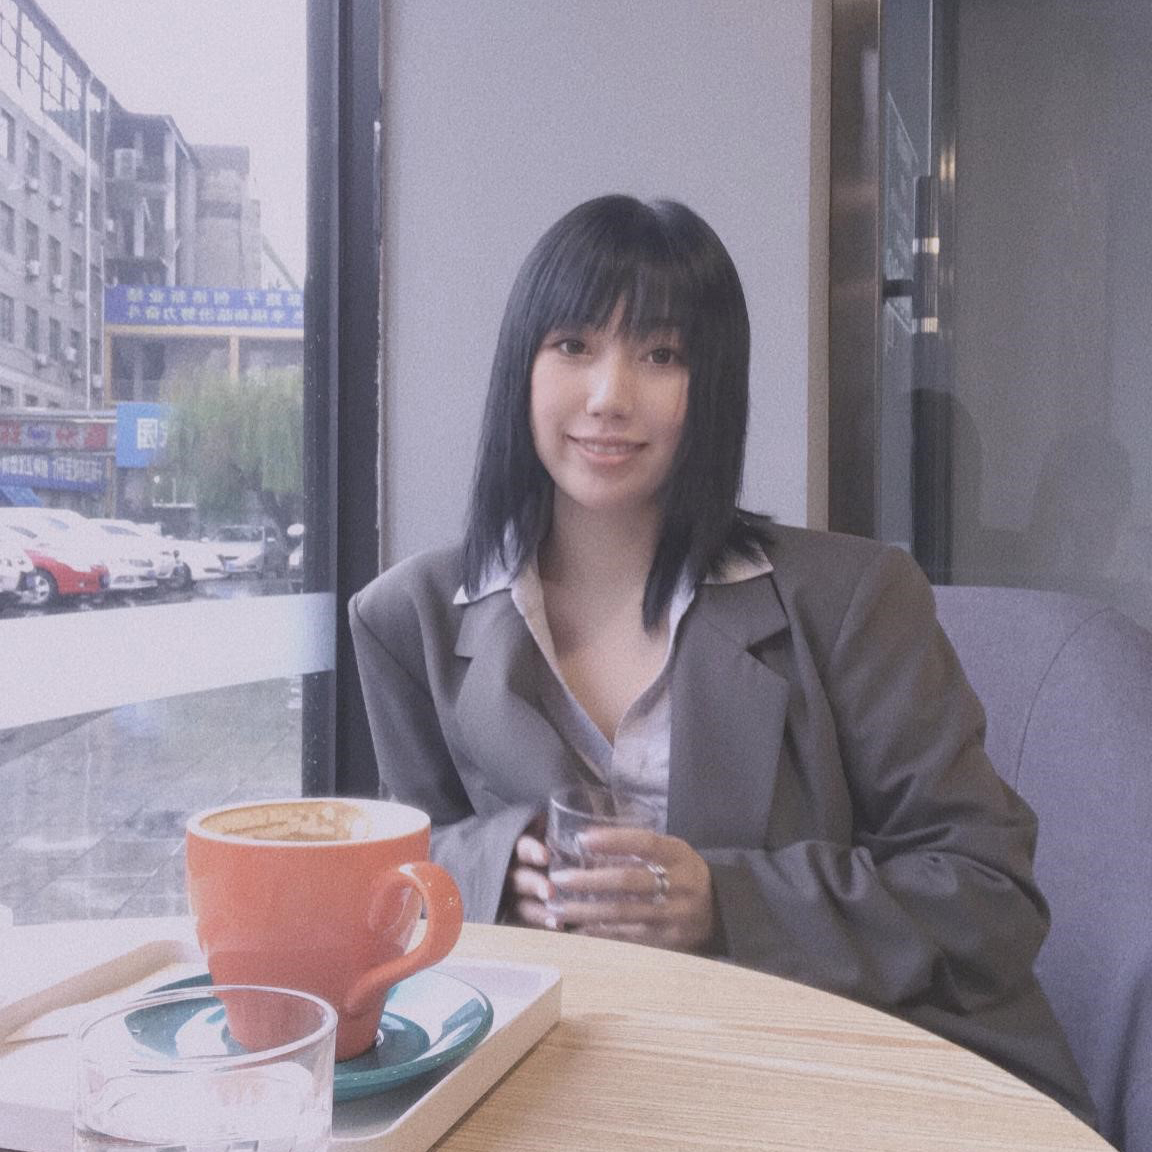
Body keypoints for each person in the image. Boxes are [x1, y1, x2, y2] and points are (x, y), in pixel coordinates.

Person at [349, 194, 1094, 1123]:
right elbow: (399, 875)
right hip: (572, 1084)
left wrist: (726, 903)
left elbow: (989, 894)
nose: (610, 395)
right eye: (573, 345)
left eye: (662, 355)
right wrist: (497, 868)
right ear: (521, 370)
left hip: (842, 1076)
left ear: (715, 388)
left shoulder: (853, 598)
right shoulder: (408, 620)